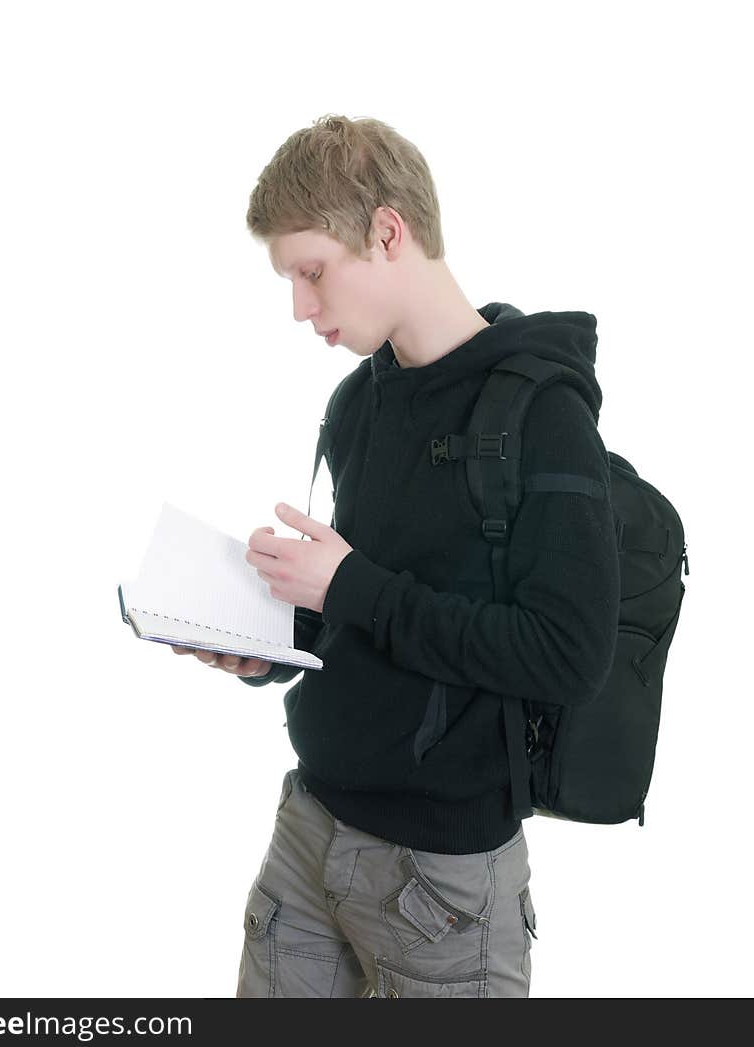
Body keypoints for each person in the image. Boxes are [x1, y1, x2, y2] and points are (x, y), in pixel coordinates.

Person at [170, 114, 619, 997]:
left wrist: (351, 585)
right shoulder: (358, 405)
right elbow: (364, 605)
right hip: (306, 834)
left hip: (442, 882)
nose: (301, 307)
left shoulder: (542, 417)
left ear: (386, 231)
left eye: (312, 273)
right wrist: (268, 639)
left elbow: (568, 655)